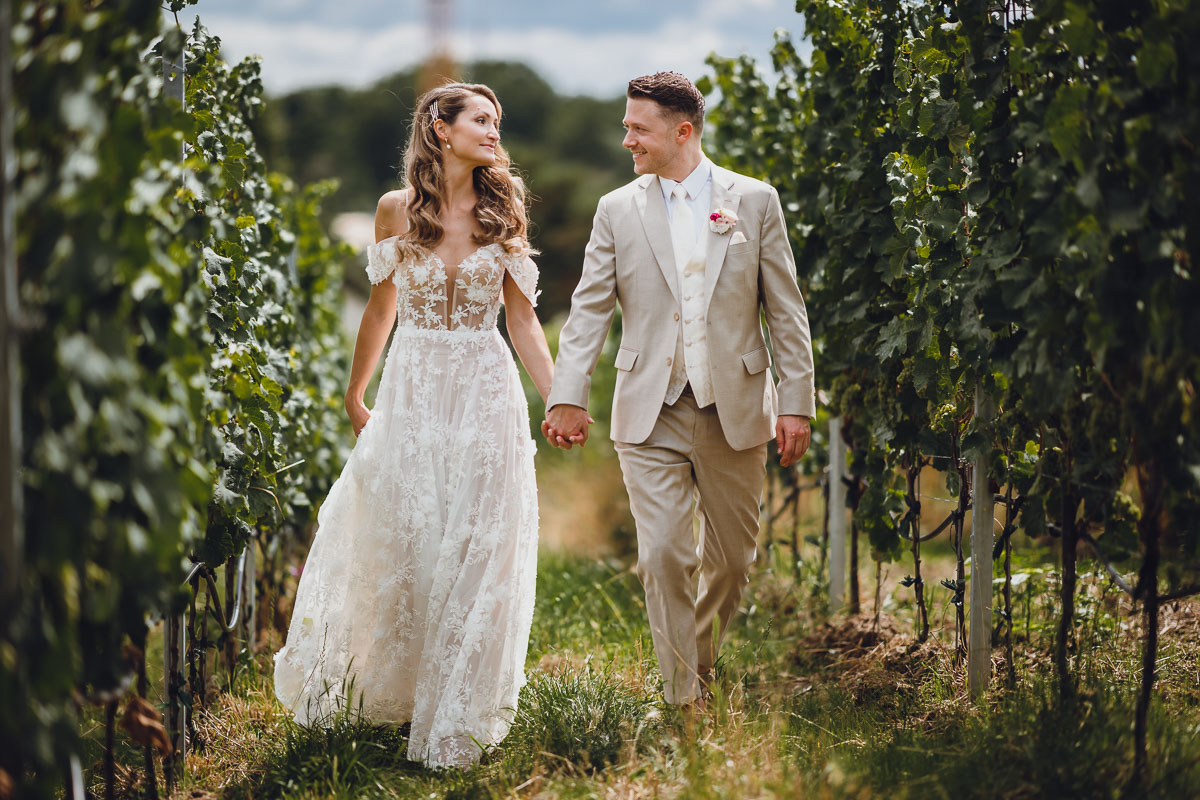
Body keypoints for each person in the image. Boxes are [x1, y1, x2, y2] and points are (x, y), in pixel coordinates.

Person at [273, 82, 554, 768]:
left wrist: (559, 399)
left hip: (486, 389)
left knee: (481, 541)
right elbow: (380, 310)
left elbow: (521, 320)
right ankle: (394, 694)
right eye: (480, 120)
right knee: (409, 536)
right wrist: (355, 389)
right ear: (440, 127)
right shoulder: (395, 211)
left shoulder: (504, 207)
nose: (493, 132)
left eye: (496, 121)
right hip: (415, 389)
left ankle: (460, 707)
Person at [543, 72, 816, 708]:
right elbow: (589, 311)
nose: (627, 140)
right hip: (649, 406)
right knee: (664, 552)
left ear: (682, 131)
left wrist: (796, 399)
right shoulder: (616, 209)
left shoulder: (754, 201)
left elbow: (786, 309)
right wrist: (567, 392)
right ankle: (682, 699)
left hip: (737, 407)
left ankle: (698, 661)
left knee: (732, 561)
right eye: (626, 128)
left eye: (638, 129)